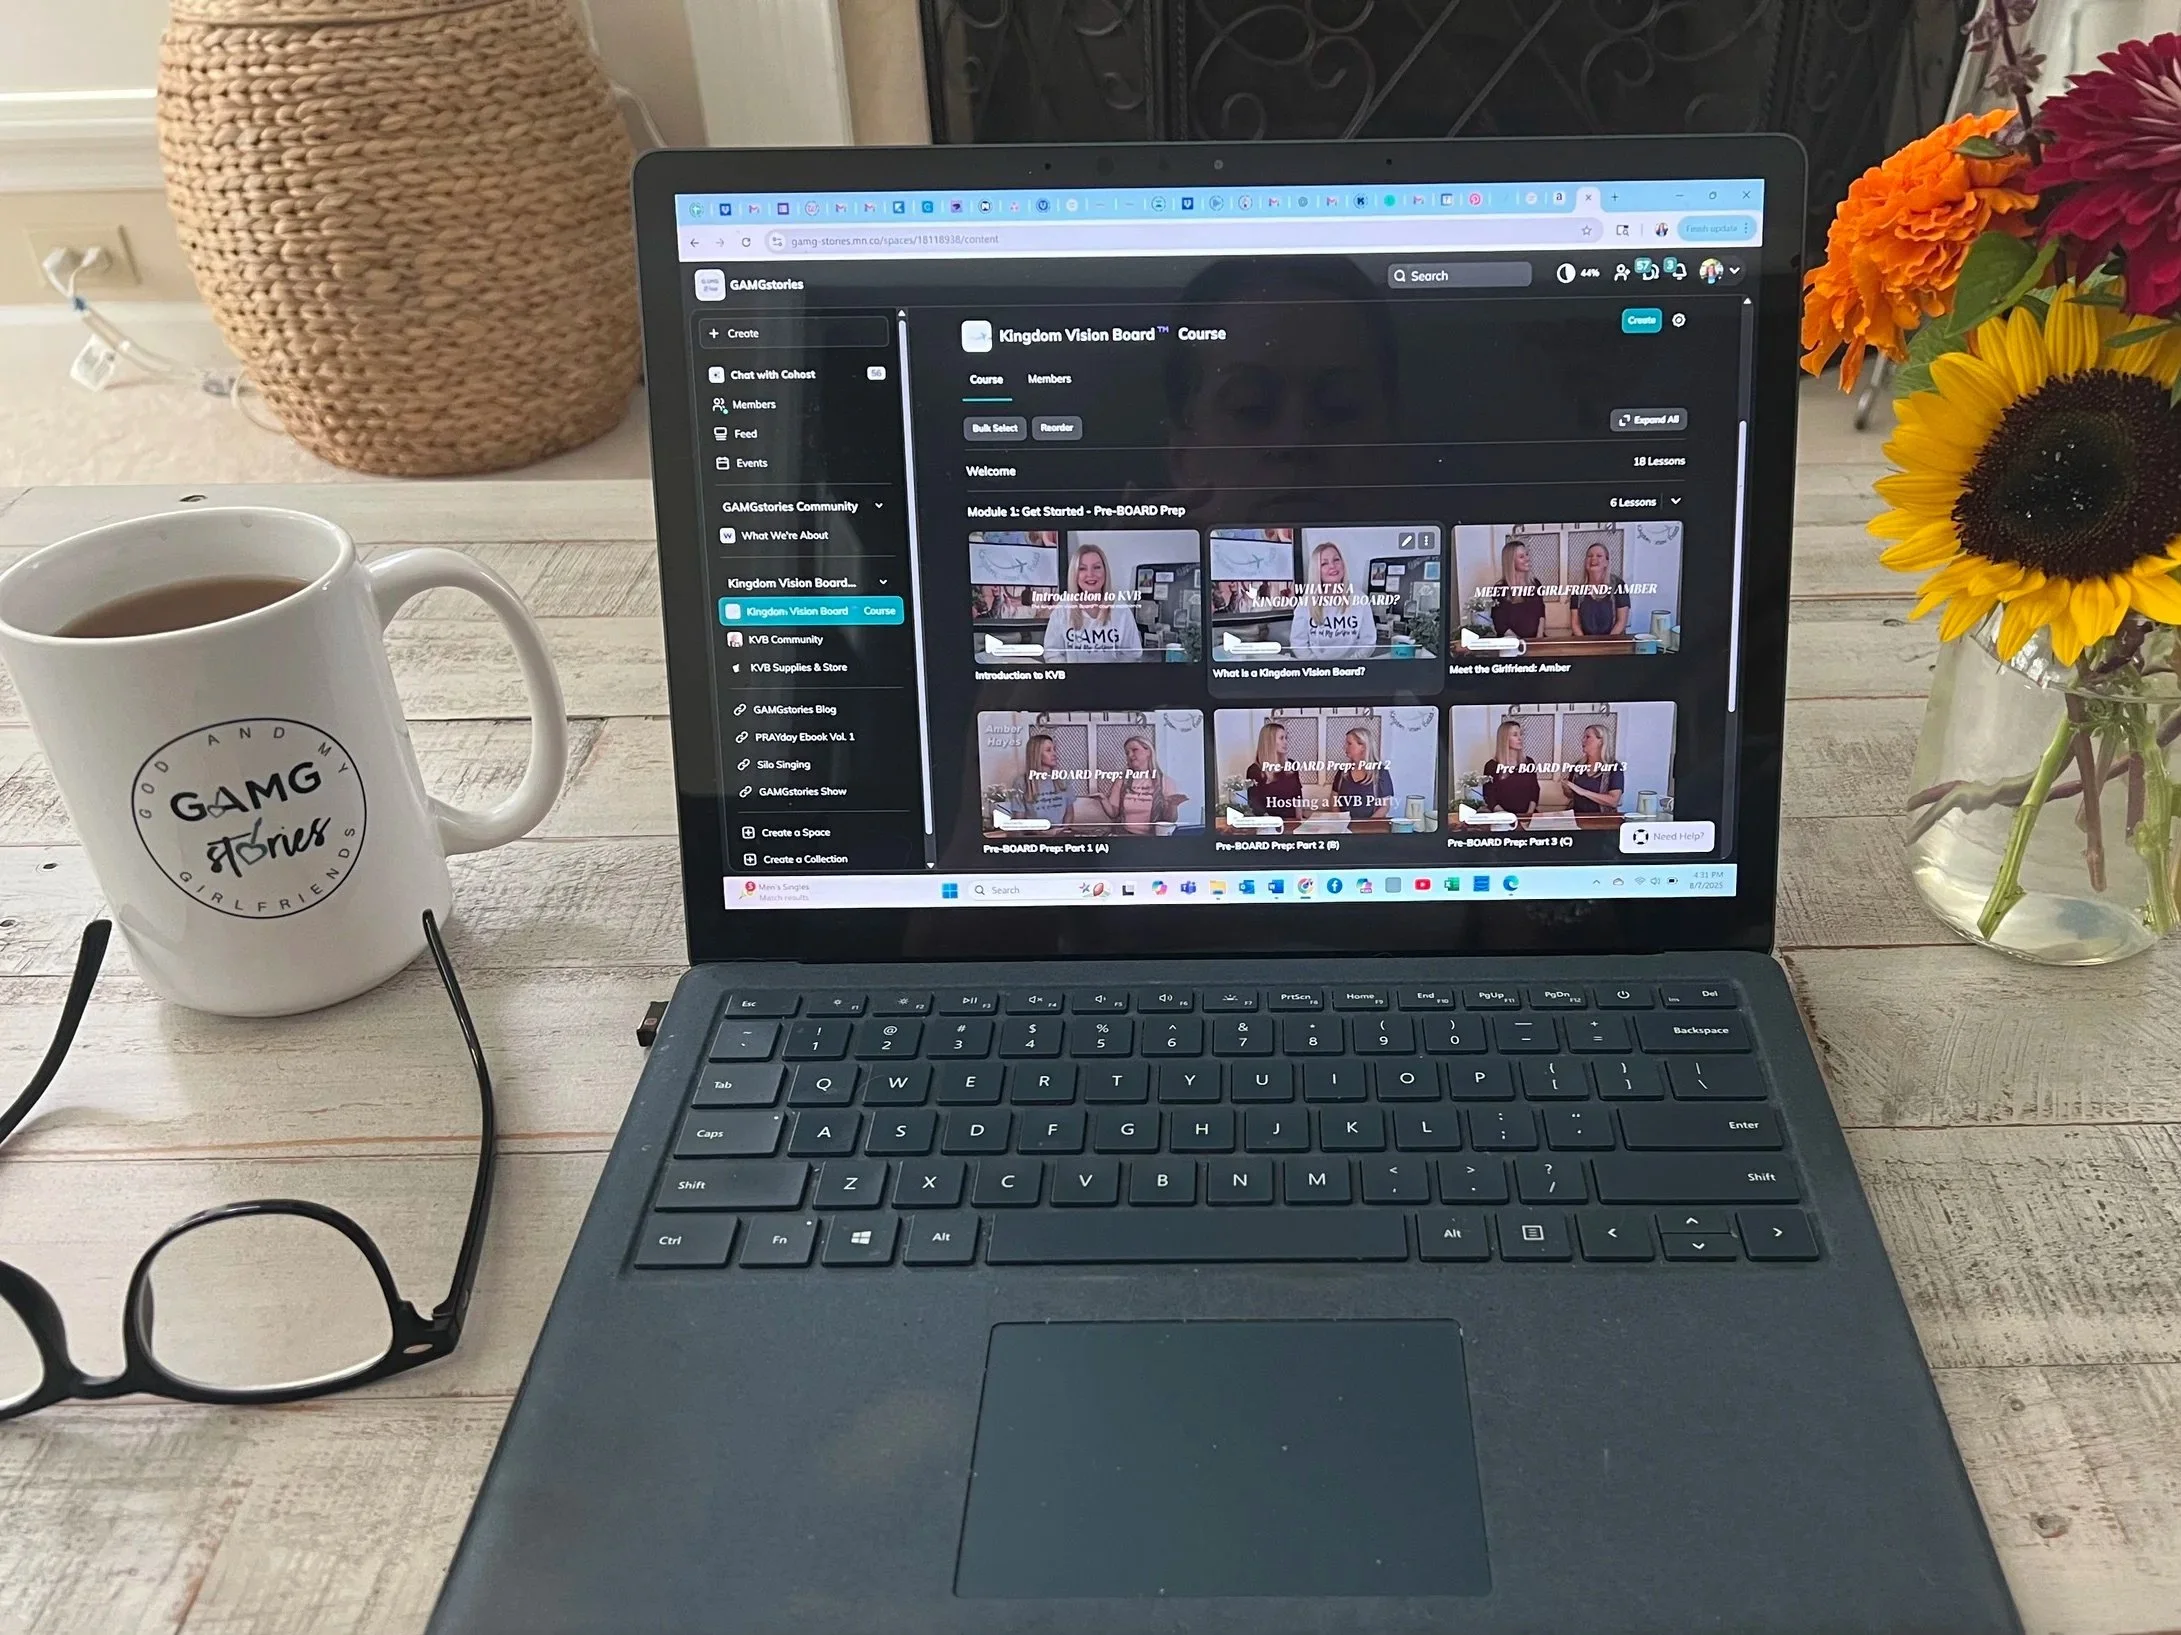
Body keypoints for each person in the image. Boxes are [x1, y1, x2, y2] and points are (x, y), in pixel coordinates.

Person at [1041, 543, 1143, 663]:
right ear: (1075, 574)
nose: (1090, 574)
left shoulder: (1121, 609)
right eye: (1082, 568)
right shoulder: (1062, 609)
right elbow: (1052, 654)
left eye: (1097, 567)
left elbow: (1132, 654)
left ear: (1105, 571)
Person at [1288, 541, 1377, 660]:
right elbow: (1298, 643)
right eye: (1324, 563)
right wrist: (1319, 667)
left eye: (1336, 560)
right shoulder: (1306, 602)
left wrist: (1349, 665)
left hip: (1353, 667)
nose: (1332, 566)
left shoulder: (1361, 599)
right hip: (1317, 668)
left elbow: (1368, 642)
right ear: (1316, 570)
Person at [1098, 734, 1189, 834]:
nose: (1130, 755)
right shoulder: (1121, 781)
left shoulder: (1166, 782)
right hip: (1125, 836)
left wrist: (1173, 805)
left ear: (1148, 751)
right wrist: (1102, 799)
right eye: (1127, 753)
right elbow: (1113, 813)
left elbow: (1170, 820)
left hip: (1152, 839)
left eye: (1134, 750)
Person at [1004, 732, 1073, 829]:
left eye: (1054, 749)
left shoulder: (1063, 778)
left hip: (1061, 834)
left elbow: (1069, 813)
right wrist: (1038, 833)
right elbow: (1019, 821)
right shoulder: (1021, 782)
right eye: (1048, 750)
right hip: (1034, 835)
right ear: (1036, 754)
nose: (1054, 754)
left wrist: (1061, 831)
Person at [1244, 720, 1305, 823]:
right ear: (1270, 741)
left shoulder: (1291, 765)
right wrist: (1271, 824)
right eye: (1281, 738)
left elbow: (1297, 796)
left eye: (1286, 738)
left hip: (1291, 822)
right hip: (1268, 824)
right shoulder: (1255, 771)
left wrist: (1299, 820)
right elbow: (1254, 804)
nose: (1285, 742)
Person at [1568, 540, 1631, 637]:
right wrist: (1585, 643)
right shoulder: (1577, 590)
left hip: (1612, 640)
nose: (1593, 558)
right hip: (1584, 641)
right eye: (1589, 556)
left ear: (1606, 562)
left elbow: (1621, 622)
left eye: (1599, 556)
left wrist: (1606, 643)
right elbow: (1575, 625)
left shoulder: (1619, 585)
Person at [1479, 718, 1540, 818]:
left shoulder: (1529, 762)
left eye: (1521, 734)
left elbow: (1535, 790)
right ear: (1505, 739)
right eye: (1515, 735)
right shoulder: (1491, 766)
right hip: (1502, 817)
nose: (1520, 738)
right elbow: (1489, 796)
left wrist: (1528, 814)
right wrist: (1506, 817)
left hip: (1528, 815)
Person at [1562, 722, 1626, 815]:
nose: (1583, 740)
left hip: (1602, 819)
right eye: (1583, 737)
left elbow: (1613, 801)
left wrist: (1584, 792)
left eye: (1587, 737)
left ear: (1601, 741)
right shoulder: (1577, 766)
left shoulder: (1614, 767)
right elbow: (1570, 795)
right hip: (1577, 817)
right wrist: (1566, 788)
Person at [1330, 726, 1393, 819]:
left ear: (1363, 746)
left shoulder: (1380, 772)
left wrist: (1366, 825)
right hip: (1343, 825)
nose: (1344, 747)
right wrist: (1339, 820)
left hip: (1370, 826)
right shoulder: (1343, 771)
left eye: (1349, 743)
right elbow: (1333, 800)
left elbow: (1384, 807)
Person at [1489, 540, 1546, 641]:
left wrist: (1538, 638)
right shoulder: (1500, 589)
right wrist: (1518, 643)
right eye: (1521, 557)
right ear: (1511, 561)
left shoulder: (1535, 584)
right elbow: (1500, 623)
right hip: (1511, 642)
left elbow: (1541, 613)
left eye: (1527, 554)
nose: (1527, 559)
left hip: (1536, 640)